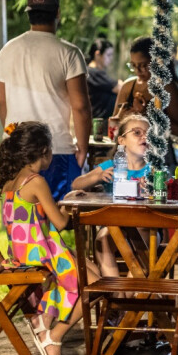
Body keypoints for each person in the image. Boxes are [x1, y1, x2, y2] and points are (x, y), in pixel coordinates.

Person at [0, 121, 83, 355]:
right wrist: (72, 204)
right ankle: (53, 337)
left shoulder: (12, 181)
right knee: (90, 285)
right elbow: (62, 223)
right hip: (42, 253)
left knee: (91, 270)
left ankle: (44, 319)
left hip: (22, 253)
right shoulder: (36, 181)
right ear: (43, 151)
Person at [0, 0, 91, 202]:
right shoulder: (69, 52)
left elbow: (1, 102)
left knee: (21, 217)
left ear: (28, 13)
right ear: (57, 12)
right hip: (57, 149)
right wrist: (82, 148)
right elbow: (81, 106)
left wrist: (13, 134)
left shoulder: (7, 50)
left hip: (16, 149)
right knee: (60, 218)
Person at [73, 113, 152, 280]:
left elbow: (166, 192)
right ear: (121, 140)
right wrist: (96, 178)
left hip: (147, 229)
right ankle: (116, 294)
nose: (144, 136)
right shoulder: (112, 166)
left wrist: (152, 186)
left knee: (143, 236)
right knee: (102, 240)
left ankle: (126, 299)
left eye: (148, 133)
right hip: (115, 227)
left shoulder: (154, 169)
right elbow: (76, 184)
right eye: (137, 132)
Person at [111, 36, 178, 164]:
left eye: (143, 65)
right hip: (129, 158)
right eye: (133, 65)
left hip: (158, 156)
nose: (138, 70)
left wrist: (148, 114)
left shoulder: (167, 87)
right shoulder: (128, 86)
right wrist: (127, 115)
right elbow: (115, 125)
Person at [86, 37, 121, 122]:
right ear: (97, 54)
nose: (111, 58)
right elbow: (120, 88)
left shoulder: (94, 72)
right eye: (108, 55)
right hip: (100, 122)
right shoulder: (93, 73)